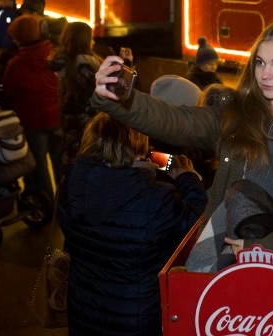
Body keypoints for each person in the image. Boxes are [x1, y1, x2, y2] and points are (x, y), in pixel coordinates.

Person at [91, 19, 273, 279]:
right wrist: (121, 99)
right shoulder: (236, 116)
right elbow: (177, 120)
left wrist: (271, 249)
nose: (265, 74)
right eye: (260, 63)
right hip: (227, 266)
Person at [57, 113, 206, 335]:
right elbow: (195, 225)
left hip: (83, 311)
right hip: (134, 318)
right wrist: (186, 177)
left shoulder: (71, 186)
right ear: (137, 149)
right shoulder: (156, 199)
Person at [3, 15, 62, 201]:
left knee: (39, 165)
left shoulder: (16, 63)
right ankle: (68, 203)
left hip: (33, 120)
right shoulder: (53, 52)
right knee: (61, 162)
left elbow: (8, 90)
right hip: (57, 116)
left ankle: (46, 203)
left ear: (20, 38)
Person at [49, 22, 102, 164]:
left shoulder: (62, 62)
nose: (93, 41)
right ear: (85, 40)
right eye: (90, 38)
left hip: (68, 124)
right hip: (89, 127)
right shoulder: (87, 66)